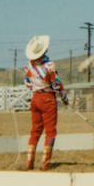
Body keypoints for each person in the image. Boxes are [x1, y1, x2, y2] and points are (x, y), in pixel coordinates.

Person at [24, 35, 68, 171]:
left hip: (35, 98)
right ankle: (45, 162)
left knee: (35, 130)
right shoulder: (49, 66)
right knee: (50, 132)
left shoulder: (28, 66)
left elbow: (27, 84)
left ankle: (29, 161)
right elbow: (56, 83)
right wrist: (64, 97)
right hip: (48, 98)